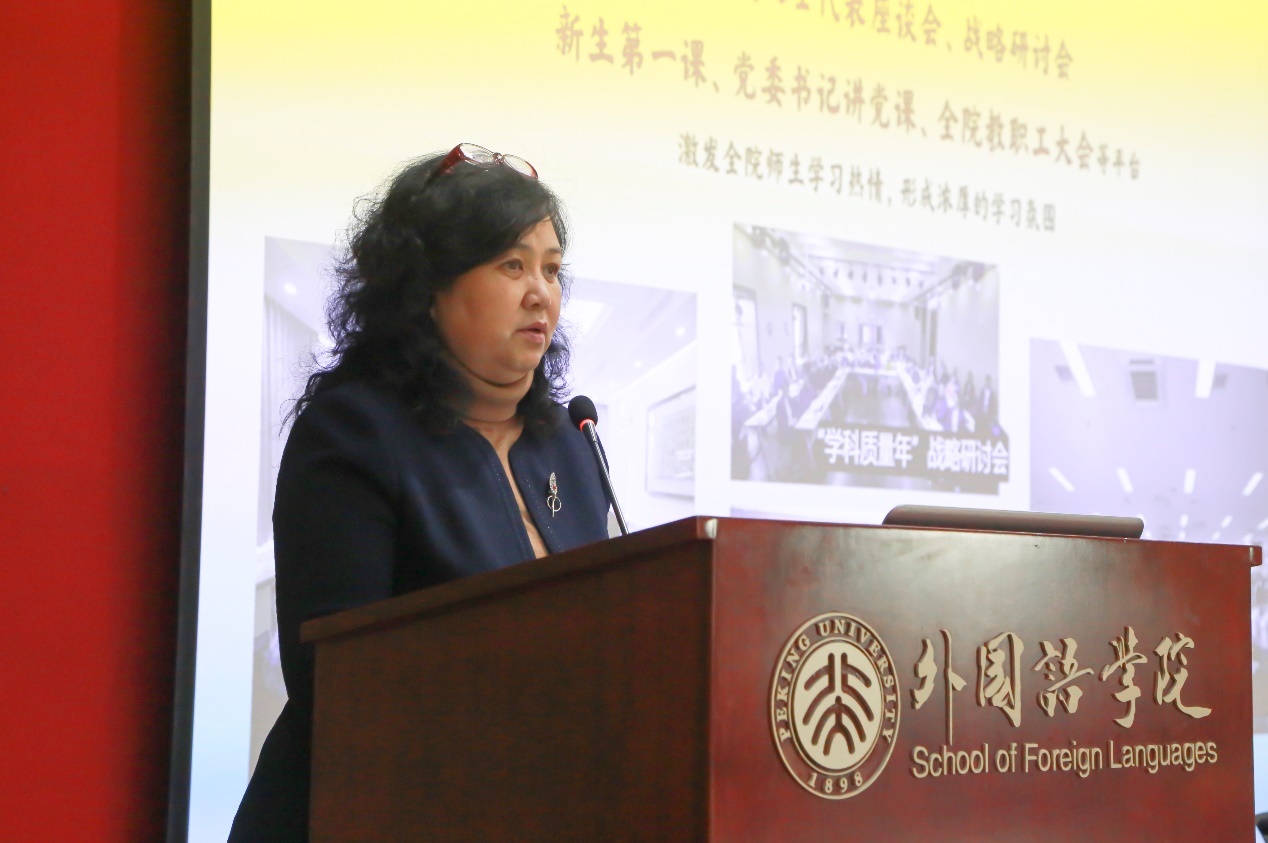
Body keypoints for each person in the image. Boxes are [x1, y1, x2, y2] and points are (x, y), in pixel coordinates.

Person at [228, 144, 611, 842]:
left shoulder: (566, 440)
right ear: (428, 284)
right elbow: (340, 685)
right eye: (512, 265)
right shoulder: (353, 434)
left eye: (552, 269)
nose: (541, 293)